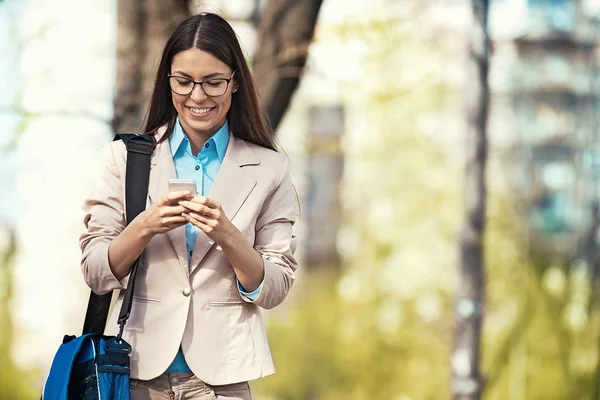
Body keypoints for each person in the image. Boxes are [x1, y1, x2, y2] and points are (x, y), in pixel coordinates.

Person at [80, 12, 298, 400]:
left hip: (224, 381)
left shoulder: (270, 168)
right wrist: (145, 226)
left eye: (213, 82)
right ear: (168, 82)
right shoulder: (127, 159)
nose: (198, 96)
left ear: (235, 83)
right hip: (136, 373)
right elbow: (96, 271)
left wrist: (229, 235)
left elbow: (275, 287)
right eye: (184, 81)